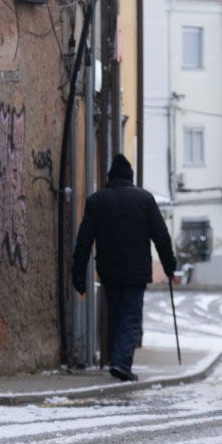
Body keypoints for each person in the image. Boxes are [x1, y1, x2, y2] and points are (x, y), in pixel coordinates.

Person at [72, 154, 177, 382]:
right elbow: (161, 237)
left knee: (116, 315)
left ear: (110, 178)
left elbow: (84, 241)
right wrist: (170, 266)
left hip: (109, 270)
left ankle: (116, 361)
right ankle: (121, 363)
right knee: (130, 318)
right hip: (136, 272)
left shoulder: (97, 201)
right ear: (130, 178)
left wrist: (78, 274)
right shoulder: (145, 200)